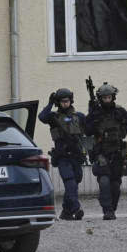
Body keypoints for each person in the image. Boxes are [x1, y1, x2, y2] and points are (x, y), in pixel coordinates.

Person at [85, 83, 127, 220]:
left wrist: (123, 121)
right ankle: (107, 210)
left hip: (118, 152)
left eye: (109, 97)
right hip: (102, 152)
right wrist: (93, 119)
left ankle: (111, 208)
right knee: (104, 181)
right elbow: (87, 131)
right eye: (104, 98)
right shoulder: (96, 112)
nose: (107, 100)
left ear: (113, 97)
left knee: (115, 185)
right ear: (100, 99)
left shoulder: (120, 111)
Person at [38, 88, 86, 220]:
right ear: (58, 103)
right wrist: (49, 104)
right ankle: (76, 208)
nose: (65, 103)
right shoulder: (53, 117)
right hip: (62, 156)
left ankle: (66, 212)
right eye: (62, 101)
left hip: (76, 156)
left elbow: (89, 130)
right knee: (69, 182)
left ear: (71, 101)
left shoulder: (79, 117)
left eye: (67, 101)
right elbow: (42, 117)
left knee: (75, 182)